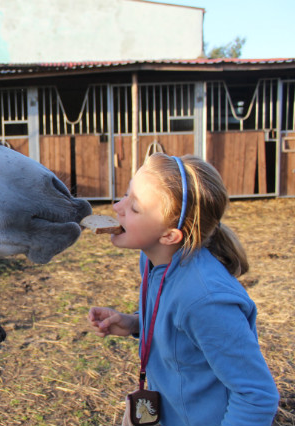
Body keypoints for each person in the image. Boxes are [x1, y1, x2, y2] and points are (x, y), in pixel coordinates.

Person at [88, 153, 279, 426]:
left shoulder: (205, 301)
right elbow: (180, 330)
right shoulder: (154, 259)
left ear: (169, 235)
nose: (117, 206)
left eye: (135, 208)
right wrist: (134, 323)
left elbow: (256, 395)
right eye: (125, 194)